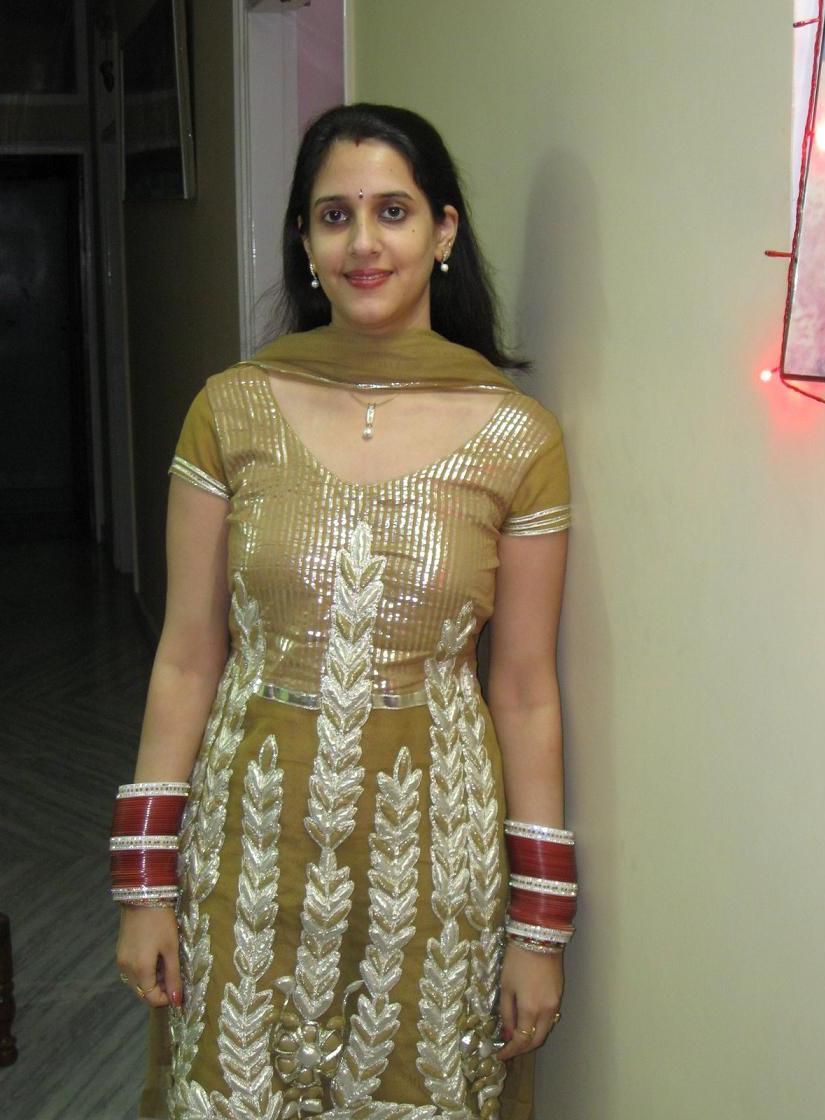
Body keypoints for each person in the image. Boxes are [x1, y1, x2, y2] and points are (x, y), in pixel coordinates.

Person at [114, 103, 576, 1120]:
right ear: (304, 240)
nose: (363, 242)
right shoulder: (231, 409)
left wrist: (539, 928)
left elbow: (525, 690)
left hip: (436, 867)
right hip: (247, 850)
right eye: (334, 215)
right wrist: (144, 883)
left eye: (392, 211)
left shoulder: (517, 435)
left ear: (443, 231)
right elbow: (186, 657)